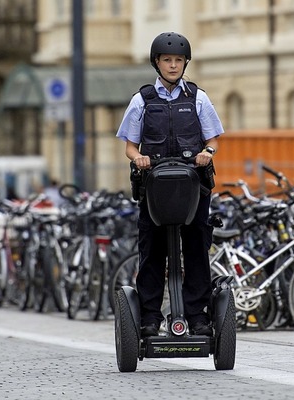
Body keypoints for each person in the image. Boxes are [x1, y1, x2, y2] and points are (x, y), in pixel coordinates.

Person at [115, 32, 223, 337]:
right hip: (155, 188)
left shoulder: (198, 98)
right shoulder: (142, 101)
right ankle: (149, 316)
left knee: (196, 248)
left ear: (185, 62)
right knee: (152, 249)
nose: (173, 66)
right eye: (167, 60)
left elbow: (213, 138)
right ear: (157, 63)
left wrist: (207, 153)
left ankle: (197, 315)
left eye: (178, 60)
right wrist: (138, 159)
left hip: (193, 187)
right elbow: (130, 146)